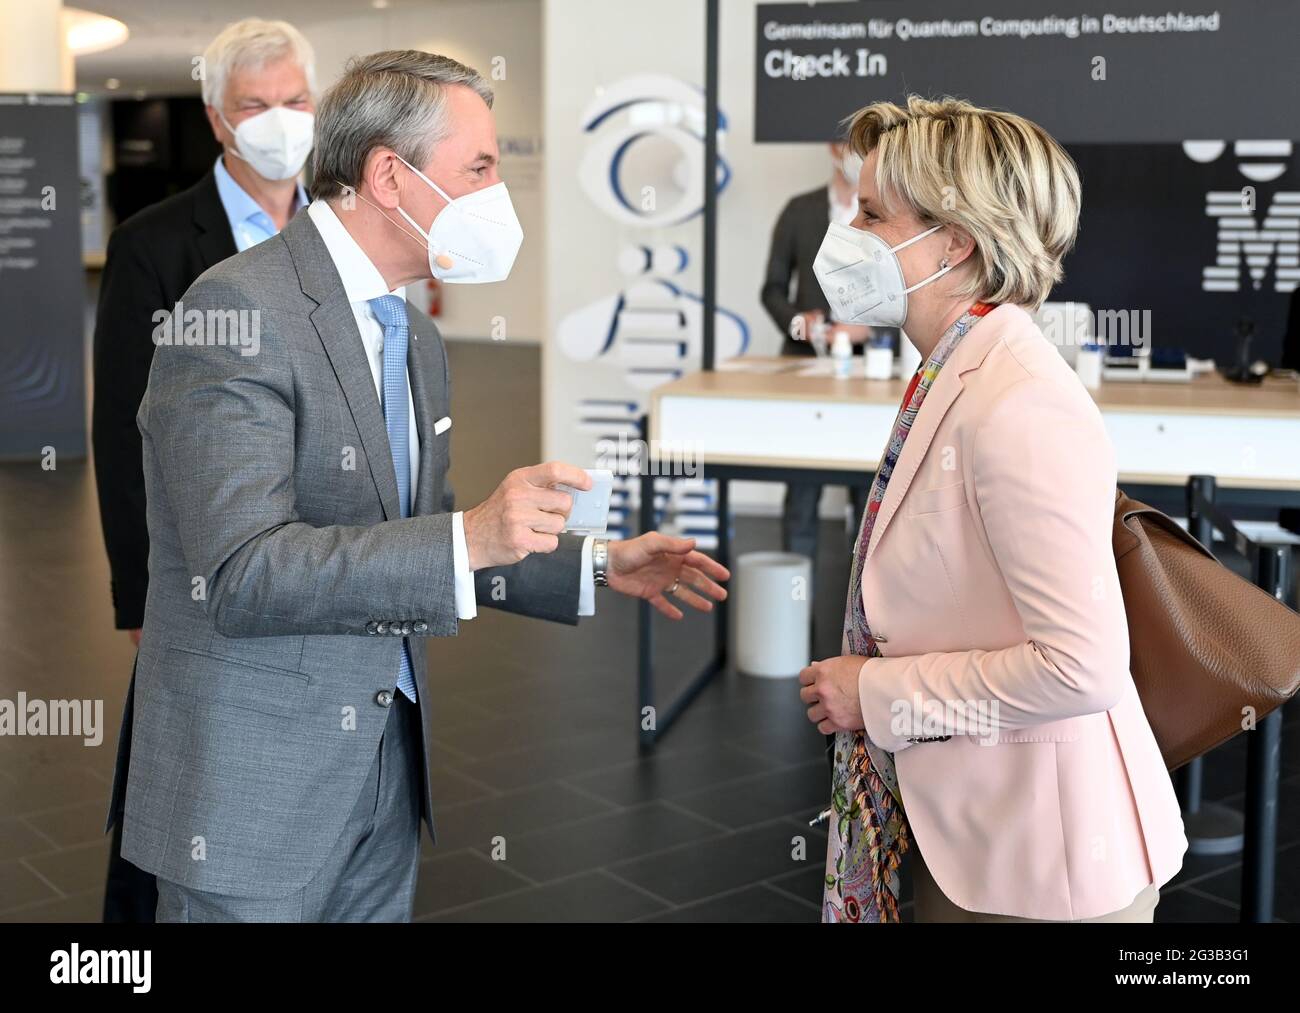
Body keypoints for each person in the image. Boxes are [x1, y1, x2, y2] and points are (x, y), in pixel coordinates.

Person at [107, 49, 729, 923]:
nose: (495, 194)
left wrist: (596, 564)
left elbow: (422, 527)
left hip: (386, 763)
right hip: (256, 791)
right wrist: (470, 536)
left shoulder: (411, 332)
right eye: (478, 168)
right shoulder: (238, 314)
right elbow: (243, 571)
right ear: (391, 177)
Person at [797, 96, 1186, 923]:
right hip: (977, 828)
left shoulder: (1018, 401)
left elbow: (1079, 667)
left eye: (871, 213)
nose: (848, 230)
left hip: (1045, 862)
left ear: (955, 240)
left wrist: (878, 692)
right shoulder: (957, 370)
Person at [92, 17, 317, 923]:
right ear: (218, 120)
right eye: (255, 106)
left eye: (295, 102)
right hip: (195, 555)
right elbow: (118, 427)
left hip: (314, 543)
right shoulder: (155, 243)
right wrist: (137, 593)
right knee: (179, 768)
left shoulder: (336, 228)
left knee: (294, 761)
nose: (278, 122)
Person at [760, 144, 872, 565]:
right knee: (802, 486)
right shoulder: (800, 210)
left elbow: (905, 291)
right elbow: (771, 290)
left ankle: (862, 604)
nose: (855, 156)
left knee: (868, 492)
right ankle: (796, 596)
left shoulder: (887, 212)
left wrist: (870, 330)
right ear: (832, 149)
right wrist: (797, 323)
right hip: (802, 367)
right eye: (849, 147)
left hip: (867, 371)